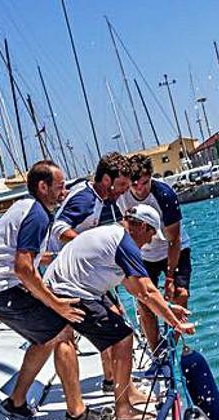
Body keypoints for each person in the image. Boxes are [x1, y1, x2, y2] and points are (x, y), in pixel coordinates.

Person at [0, 160, 104, 420]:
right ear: (43, 187)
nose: (64, 192)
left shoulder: (26, 207)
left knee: (44, 339)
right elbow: (22, 268)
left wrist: (61, 258)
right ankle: (76, 413)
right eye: (60, 186)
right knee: (63, 330)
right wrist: (57, 305)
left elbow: (27, 259)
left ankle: (16, 403)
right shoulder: (38, 215)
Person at [42, 205, 195, 420]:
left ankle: (128, 391)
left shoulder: (113, 236)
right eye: (151, 234)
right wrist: (176, 324)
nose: (151, 241)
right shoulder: (124, 242)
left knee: (118, 327)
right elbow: (147, 291)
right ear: (142, 226)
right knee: (123, 338)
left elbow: (135, 289)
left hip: (63, 288)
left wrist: (168, 308)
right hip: (68, 293)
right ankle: (123, 409)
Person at [49, 152, 132, 393]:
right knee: (107, 325)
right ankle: (111, 387)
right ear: (106, 179)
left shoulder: (90, 193)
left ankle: (110, 380)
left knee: (113, 315)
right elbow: (59, 229)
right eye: (121, 186)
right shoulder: (86, 199)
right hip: (67, 276)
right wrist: (89, 244)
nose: (123, 192)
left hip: (80, 272)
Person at [117, 154, 192, 352]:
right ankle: (157, 351)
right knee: (145, 302)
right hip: (144, 252)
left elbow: (174, 240)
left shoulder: (164, 195)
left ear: (151, 177)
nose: (140, 189)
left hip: (173, 248)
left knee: (180, 294)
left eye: (144, 183)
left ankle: (172, 348)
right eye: (135, 184)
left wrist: (169, 278)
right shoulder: (122, 194)